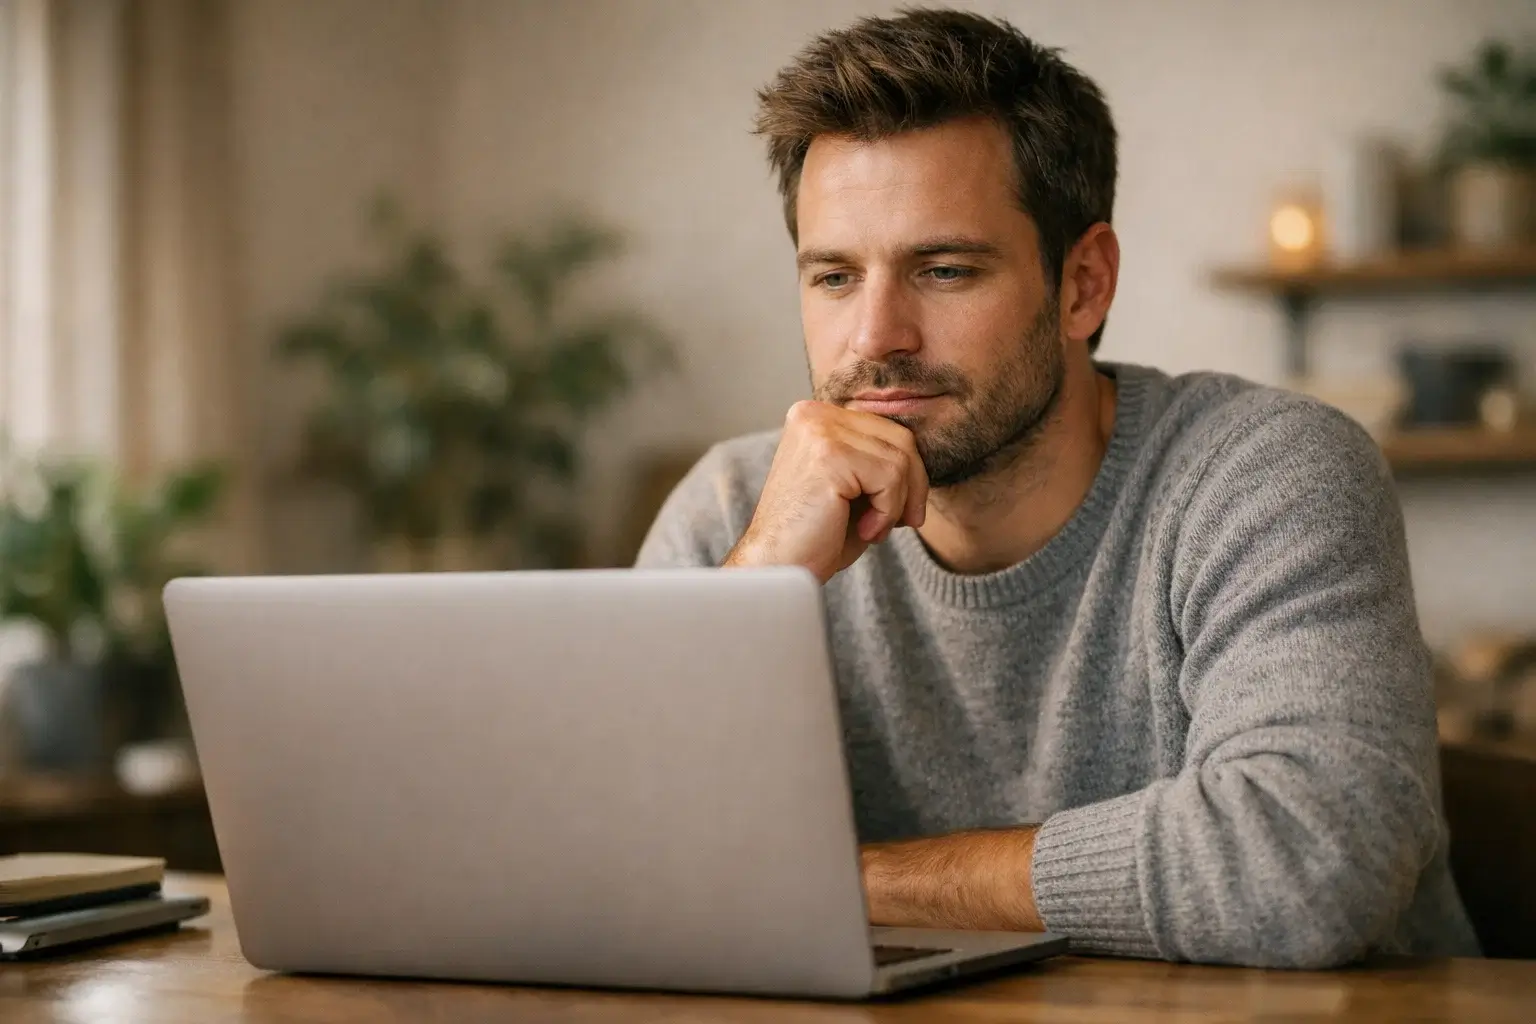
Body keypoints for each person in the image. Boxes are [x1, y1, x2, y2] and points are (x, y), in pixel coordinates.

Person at [636, 8, 1479, 967]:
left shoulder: (1263, 472)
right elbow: (600, 861)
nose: (875, 338)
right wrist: (749, 596)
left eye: (944, 270)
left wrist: (841, 881)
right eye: (834, 277)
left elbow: (1309, 862)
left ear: (1084, 284)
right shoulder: (733, 509)